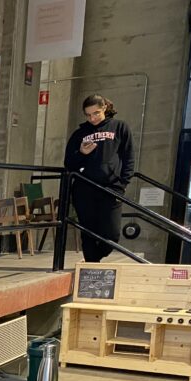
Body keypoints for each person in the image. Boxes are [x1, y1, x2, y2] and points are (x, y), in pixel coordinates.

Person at [64, 94, 136, 263]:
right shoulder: (80, 133)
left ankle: (93, 261)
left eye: (96, 113)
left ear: (104, 108)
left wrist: (123, 183)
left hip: (111, 188)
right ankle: (91, 267)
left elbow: (129, 158)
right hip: (84, 188)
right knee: (88, 231)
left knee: (111, 234)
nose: (92, 118)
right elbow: (69, 164)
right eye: (88, 115)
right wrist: (81, 153)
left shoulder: (120, 127)